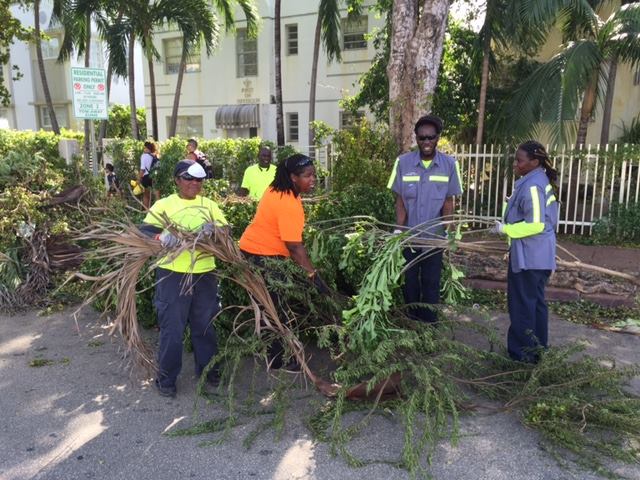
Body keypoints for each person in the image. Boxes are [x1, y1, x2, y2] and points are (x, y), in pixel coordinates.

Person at [139, 159, 228, 397]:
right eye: (188, 178)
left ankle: (209, 372)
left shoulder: (209, 205)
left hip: (204, 274)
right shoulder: (165, 204)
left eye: (198, 179)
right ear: (177, 180)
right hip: (172, 274)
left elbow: (226, 231)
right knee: (172, 328)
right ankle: (166, 379)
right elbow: (144, 231)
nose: (194, 183)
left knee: (205, 327)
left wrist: (215, 231)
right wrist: (162, 237)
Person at [239, 153, 329, 369]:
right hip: (263, 257)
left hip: (252, 250)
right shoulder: (288, 203)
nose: (313, 179)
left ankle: (273, 352)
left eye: (313, 175)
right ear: (293, 177)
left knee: (268, 304)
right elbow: (295, 247)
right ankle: (279, 358)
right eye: (307, 176)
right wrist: (312, 275)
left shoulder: (277, 187)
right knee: (276, 307)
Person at [387, 114, 463, 323]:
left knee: (431, 283)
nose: (426, 142)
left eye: (431, 137)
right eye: (422, 138)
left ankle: (429, 325)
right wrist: (398, 230)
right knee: (409, 282)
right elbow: (400, 200)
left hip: (434, 238)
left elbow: (449, 202)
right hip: (409, 237)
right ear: (416, 139)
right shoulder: (403, 163)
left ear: (438, 137)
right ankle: (412, 323)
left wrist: (449, 232)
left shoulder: (449, 164)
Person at [492, 141, 558, 363]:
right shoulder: (534, 180)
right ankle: (538, 351)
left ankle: (521, 357)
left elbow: (536, 224)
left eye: (520, 160)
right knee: (535, 305)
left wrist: (505, 229)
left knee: (522, 306)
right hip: (537, 257)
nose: (515, 164)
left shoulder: (533, 185)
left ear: (535, 162)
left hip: (530, 258)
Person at [139, 141, 160, 209]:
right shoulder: (154, 156)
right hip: (154, 176)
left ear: (146, 148)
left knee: (146, 195)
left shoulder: (144, 156)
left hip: (146, 177)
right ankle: (159, 210)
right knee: (157, 194)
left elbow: (142, 169)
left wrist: (139, 179)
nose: (143, 149)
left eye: (144, 147)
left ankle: (146, 211)